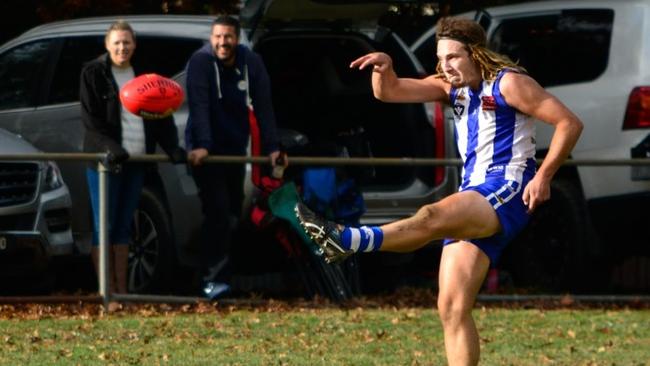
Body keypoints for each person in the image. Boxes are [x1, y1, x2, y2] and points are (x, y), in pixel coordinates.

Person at [295, 17, 583, 365]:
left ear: (475, 53)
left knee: (431, 215)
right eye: (440, 59)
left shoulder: (510, 84)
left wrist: (544, 176)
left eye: (453, 58)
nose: (445, 67)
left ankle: (349, 240)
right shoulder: (451, 87)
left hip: (506, 187)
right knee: (451, 307)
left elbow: (569, 122)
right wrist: (383, 68)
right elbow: (389, 92)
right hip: (473, 191)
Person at [80, 20, 185, 296]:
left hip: (137, 162)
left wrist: (172, 147)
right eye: (116, 42)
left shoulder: (145, 75)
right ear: (107, 45)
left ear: (134, 45)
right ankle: (107, 294)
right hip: (106, 163)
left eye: (127, 42)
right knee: (105, 225)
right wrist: (110, 147)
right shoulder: (93, 73)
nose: (122, 47)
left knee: (125, 225)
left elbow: (162, 116)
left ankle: (122, 293)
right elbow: (91, 122)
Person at [185, 15, 285, 299]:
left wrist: (272, 147)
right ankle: (210, 281)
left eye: (228, 37)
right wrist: (203, 144)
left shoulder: (250, 61)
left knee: (231, 212)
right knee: (217, 209)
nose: (222, 43)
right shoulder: (200, 62)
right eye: (217, 37)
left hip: (234, 147)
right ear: (211, 38)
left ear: (236, 39)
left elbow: (264, 106)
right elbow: (199, 105)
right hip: (206, 151)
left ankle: (220, 278)